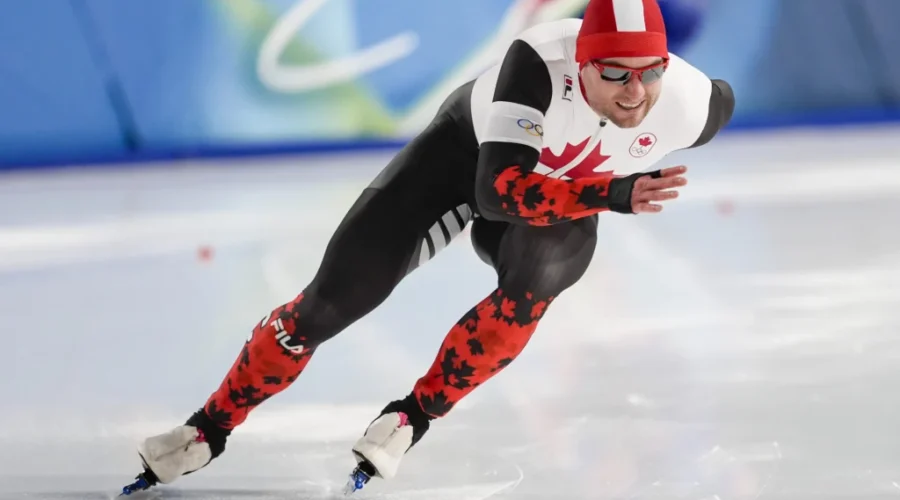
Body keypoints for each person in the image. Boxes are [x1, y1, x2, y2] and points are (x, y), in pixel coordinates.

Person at [122, 0, 734, 494]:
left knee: (536, 284)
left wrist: (605, 190)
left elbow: (710, 100)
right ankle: (207, 428)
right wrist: (613, 193)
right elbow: (496, 195)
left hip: (565, 193)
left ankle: (412, 417)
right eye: (616, 74)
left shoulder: (691, 103)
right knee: (330, 304)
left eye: (650, 71)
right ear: (581, 64)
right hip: (464, 157)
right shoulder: (535, 66)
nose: (635, 93)